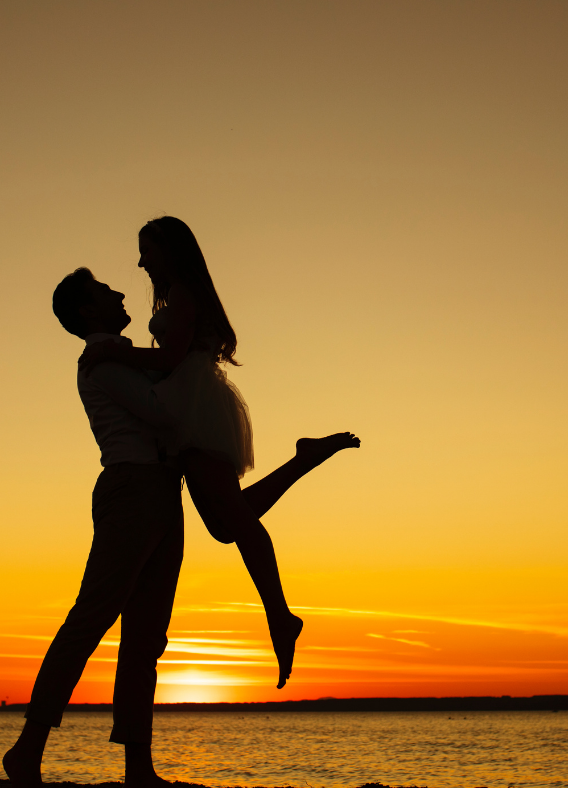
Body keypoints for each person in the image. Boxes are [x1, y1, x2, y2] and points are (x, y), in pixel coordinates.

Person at [3, 267, 358, 788]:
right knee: (91, 619)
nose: (121, 291)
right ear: (87, 311)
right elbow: (162, 412)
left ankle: (137, 768)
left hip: (160, 494)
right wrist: (182, 360)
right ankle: (28, 748)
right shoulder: (102, 361)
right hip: (132, 491)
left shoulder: (122, 356)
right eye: (105, 291)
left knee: (146, 636)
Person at [78, 216, 358, 690]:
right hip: (189, 407)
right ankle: (304, 459)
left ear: (172, 251)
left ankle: (280, 615)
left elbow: (171, 360)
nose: (141, 262)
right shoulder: (179, 294)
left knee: (239, 525)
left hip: (195, 410)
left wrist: (114, 354)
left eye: (147, 251)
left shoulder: (185, 293)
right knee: (226, 524)